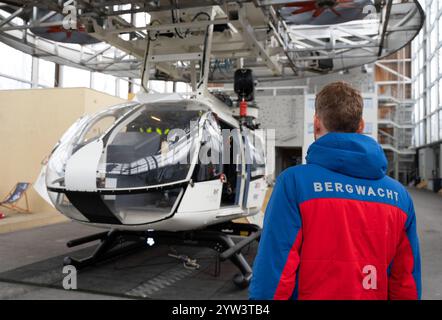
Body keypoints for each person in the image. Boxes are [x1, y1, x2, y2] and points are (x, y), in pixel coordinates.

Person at [249, 81, 421, 300]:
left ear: (317, 124)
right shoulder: (399, 197)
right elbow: (406, 280)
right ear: (361, 126)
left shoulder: (293, 184)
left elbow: (274, 270)